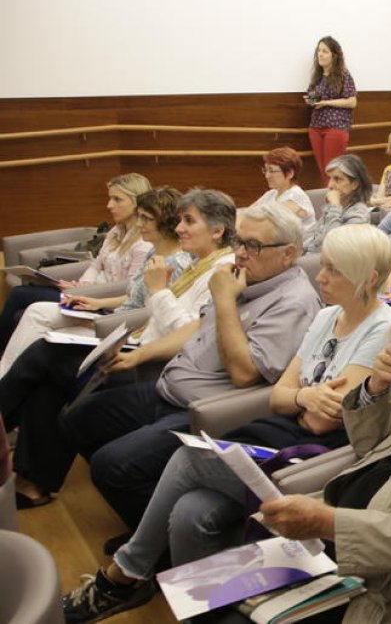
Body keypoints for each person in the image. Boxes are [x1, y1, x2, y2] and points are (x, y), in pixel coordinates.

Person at [62, 291, 391, 624]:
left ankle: (127, 580)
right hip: (337, 536)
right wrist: (377, 387)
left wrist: (329, 523)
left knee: (226, 611)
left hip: (372, 570)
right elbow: (372, 448)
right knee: (200, 591)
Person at [61, 203, 321, 530]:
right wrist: (141, 355)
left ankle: (158, 548)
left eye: (252, 246)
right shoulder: (242, 277)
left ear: (289, 253)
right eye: (238, 242)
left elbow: (245, 374)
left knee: (112, 466)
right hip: (166, 390)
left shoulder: (293, 301)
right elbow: (199, 326)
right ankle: (148, 518)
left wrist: (225, 300)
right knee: (78, 418)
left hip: (201, 410)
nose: (240, 253)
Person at [0, 188, 238, 509]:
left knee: (46, 354)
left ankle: (22, 455)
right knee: (47, 374)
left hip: (156, 365)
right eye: (180, 219)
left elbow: (191, 333)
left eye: (188, 221)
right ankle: (34, 482)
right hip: (138, 345)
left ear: (217, 230)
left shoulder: (223, 271)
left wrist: (158, 291)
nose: (179, 227)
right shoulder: (198, 262)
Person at [220, 224, 391, 452]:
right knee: (196, 480)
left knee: (190, 464)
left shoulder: (384, 329)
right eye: (323, 266)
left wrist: (294, 399)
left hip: (322, 451)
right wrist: (305, 397)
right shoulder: (326, 315)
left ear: (369, 279)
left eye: (333, 270)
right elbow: (276, 398)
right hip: (288, 433)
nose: (320, 277)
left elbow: (321, 423)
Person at [0, 187, 193, 376]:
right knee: (36, 310)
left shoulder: (175, 264)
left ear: (166, 222)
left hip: (126, 329)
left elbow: (153, 313)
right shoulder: (154, 250)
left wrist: (97, 322)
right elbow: (134, 295)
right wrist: (96, 303)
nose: (139, 223)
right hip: (116, 316)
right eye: (140, 216)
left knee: (42, 332)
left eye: (146, 219)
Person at [0, 173, 152, 358]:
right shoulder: (116, 231)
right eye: (110, 198)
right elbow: (96, 265)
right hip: (87, 292)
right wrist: (82, 285)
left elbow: (129, 289)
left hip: (101, 303)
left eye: (117, 199)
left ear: (136, 202)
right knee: (20, 311)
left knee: (19, 295)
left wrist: (86, 292)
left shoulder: (143, 244)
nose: (109, 205)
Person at [305, 36, 357, 179]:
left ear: (334, 55)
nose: (320, 54)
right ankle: (329, 200)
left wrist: (327, 103)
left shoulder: (343, 75)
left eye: (325, 51)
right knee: (323, 171)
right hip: (316, 127)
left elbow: (352, 101)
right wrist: (311, 100)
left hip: (336, 127)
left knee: (332, 171)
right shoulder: (317, 76)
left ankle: (334, 201)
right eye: (319, 51)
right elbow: (314, 99)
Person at [303, 154, 373, 254]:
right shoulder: (336, 207)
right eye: (330, 178)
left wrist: (335, 206)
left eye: (337, 179)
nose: (330, 185)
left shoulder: (359, 214)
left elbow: (333, 245)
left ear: (355, 184)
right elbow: (312, 235)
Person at [250, 147, 315, 233]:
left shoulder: (297, 198)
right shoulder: (272, 193)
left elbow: (270, 224)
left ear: (290, 173)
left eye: (272, 171)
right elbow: (247, 213)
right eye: (266, 170)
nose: (267, 176)